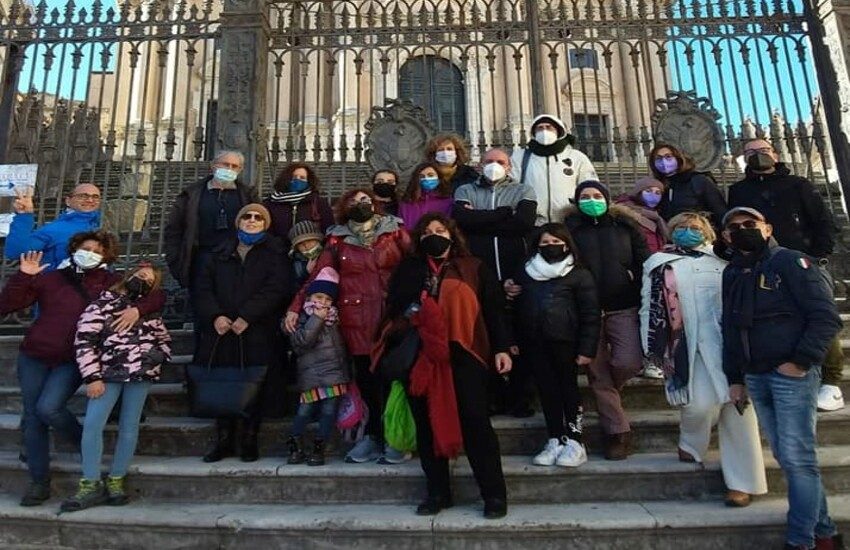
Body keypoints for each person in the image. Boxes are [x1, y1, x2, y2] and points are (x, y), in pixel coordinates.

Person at [0, 230, 165, 506]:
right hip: (35, 355)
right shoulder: (51, 278)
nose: (90, 253)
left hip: (73, 359)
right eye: (85, 248)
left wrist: (137, 310)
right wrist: (24, 276)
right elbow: (8, 304)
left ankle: (82, 443)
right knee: (33, 417)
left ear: (106, 256)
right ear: (74, 249)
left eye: (97, 250)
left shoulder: (112, 283)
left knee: (48, 408)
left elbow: (155, 296)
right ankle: (39, 482)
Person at [721, 206, 844, 550]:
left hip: (791, 373)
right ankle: (825, 533)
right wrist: (735, 377)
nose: (742, 230)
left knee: (798, 457)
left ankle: (800, 540)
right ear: (726, 236)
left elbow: (825, 317)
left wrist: (801, 362)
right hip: (755, 375)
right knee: (786, 454)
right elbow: (730, 328)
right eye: (734, 227)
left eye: (750, 224)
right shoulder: (732, 272)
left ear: (768, 227)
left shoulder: (792, 262)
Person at [379, 212, 512, 518]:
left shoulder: (473, 266)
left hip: (466, 353)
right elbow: (394, 309)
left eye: (440, 230)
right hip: (422, 356)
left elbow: (494, 310)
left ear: (453, 235)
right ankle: (438, 492)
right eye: (427, 232)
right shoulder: (409, 268)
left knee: (476, 423)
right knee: (427, 425)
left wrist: (503, 347)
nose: (433, 235)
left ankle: (493, 495)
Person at [640, 212, 767, 508]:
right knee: (699, 406)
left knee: (739, 412)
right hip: (687, 347)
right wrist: (651, 346)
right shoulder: (659, 262)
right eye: (681, 228)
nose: (688, 232)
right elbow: (651, 305)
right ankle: (691, 443)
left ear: (708, 232)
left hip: (729, 344)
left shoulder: (724, 260)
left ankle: (742, 483)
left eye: (695, 228)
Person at [284, 189, 410, 464]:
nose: (360, 204)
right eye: (353, 201)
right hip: (356, 321)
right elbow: (319, 277)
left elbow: (414, 265)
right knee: (366, 381)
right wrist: (296, 307)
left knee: (392, 379)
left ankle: (396, 437)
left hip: (391, 317)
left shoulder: (394, 231)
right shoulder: (337, 239)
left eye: (365, 199)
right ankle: (374, 436)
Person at [728, 138, 843, 412]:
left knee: (820, 314)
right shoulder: (738, 190)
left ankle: (831, 382)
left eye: (763, 151)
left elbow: (823, 221)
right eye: (751, 153)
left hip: (804, 260)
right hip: (762, 264)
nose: (758, 156)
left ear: (775, 154)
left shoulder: (799, 185)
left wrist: (819, 255)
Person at [61, 264, 172, 512]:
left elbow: (164, 341)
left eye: (148, 279)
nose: (142, 279)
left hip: (140, 375)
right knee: (92, 424)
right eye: (140, 274)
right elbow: (84, 341)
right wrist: (92, 376)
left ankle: (116, 479)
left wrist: (156, 356)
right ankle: (90, 482)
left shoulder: (150, 311)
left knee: (129, 426)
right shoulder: (102, 305)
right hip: (107, 375)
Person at [561, 180, 650, 460]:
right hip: (586, 311)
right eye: (585, 196)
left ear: (607, 198)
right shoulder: (570, 230)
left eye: (596, 195)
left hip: (623, 305)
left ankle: (611, 393)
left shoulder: (625, 227)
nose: (591, 200)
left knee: (628, 361)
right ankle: (617, 433)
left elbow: (644, 260)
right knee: (597, 373)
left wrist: (637, 288)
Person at [194, 203, 289, 463]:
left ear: (265, 224)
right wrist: (216, 315)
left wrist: (248, 315)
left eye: (258, 217)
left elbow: (276, 287)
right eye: (247, 216)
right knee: (222, 382)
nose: (252, 220)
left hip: (256, 328)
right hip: (221, 329)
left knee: (254, 385)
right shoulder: (218, 251)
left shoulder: (275, 252)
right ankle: (224, 439)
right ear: (238, 221)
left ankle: (249, 438)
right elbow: (202, 286)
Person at [453, 147, 537, 417]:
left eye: (500, 162)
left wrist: (482, 221)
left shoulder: (524, 190)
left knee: (519, 335)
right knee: (484, 333)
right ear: (479, 165)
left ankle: (519, 397)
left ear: (509, 166)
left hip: (514, 270)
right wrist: (504, 213)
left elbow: (523, 223)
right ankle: (491, 395)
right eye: (489, 161)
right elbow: (463, 221)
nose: (494, 165)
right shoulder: (465, 190)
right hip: (479, 272)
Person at [509, 223, 600, 467]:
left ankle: (575, 440)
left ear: (567, 244)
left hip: (566, 341)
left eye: (556, 242)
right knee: (546, 391)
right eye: (545, 243)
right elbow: (514, 308)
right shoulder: (525, 271)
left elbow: (590, 313)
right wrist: (513, 340)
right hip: (534, 341)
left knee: (568, 390)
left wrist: (586, 348)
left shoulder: (579, 273)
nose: (551, 247)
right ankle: (555, 438)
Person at [163, 150, 257, 294]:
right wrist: (175, 260)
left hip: (235, 260)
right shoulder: (191, 194)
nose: (229, 169)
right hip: (201, 260)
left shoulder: (248, 195)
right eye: (225, 164)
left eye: (235, 166)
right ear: (213, 166)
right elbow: (174, 230)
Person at [286, 267, 350, 467]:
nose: (322, 303)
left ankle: (318, 447)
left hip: (334, 374)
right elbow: (302, 342)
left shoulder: (336, 319)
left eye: (328, 299)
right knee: (304, 412)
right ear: (310, 296)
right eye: (319, 297)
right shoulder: (300, 318)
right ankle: (295, 445)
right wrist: (317, 319)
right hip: (311, 376)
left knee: (329, 412)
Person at [510, 114, 597, 225]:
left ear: (558, 131)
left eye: (548, 127)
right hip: (533, 221)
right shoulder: (520, 156)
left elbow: (590, 186)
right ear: (533, 132)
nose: (544, 131)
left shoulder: (576, 157)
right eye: (540, 128)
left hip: (568, 221)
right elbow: (512, 185)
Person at [5, 183, 102, 270]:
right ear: (68, 201)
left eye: (95, 197)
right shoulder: (54, 229)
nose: (90, 200)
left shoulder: (98, 228)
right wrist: (24, 216)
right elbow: (17, 252)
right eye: (83, 196)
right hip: (58, 286)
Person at [648, 143, 727, 227]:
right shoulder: (655, 186)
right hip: (668, 234)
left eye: (668, 156)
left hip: (697, 232)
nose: (663, 161)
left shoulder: (698, 180)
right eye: (658, 158)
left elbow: (719, 210)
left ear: (678, 158)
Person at [264, 162, 335, 247]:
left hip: (310, 254)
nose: (298, 180)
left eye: (302, 178)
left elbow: (328, 229)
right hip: (277, 253)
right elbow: (266, 230)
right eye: (294, 177)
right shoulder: (271, 203)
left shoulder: (319, 203)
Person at [614, 176, 669, 254]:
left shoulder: (655, 215)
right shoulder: (626, 212)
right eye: (648, 191)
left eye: (658, 193)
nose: (653, 195)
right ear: (638, 192)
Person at [398, 162, 454, 229]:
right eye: (422, 176)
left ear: (439, 178)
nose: (426, 179)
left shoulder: (448, 202)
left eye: (431, 175)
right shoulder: (407, 203)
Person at [288, 220, 325, 294]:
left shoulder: (330, 254)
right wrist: (306, 273)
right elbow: (295, 289)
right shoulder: (296, 264)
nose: (307, 246)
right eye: (301, 244)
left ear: (318, 240)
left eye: (310, 241)